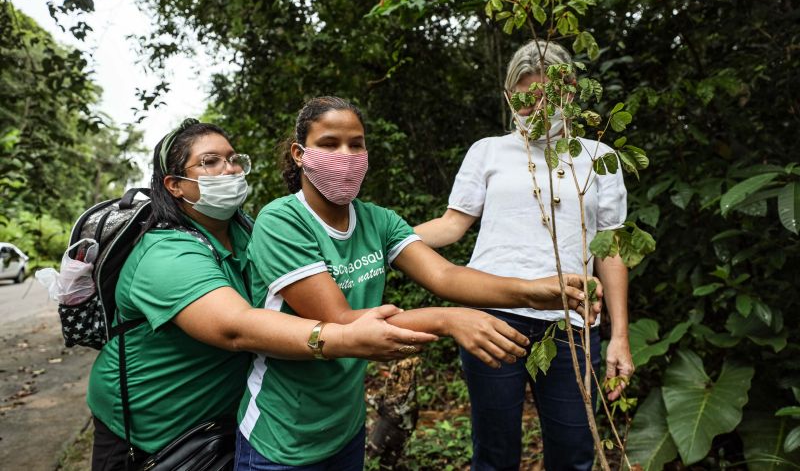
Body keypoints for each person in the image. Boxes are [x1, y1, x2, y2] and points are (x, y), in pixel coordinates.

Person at [235, 96, 603, 470]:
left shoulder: (377, 220)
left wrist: (536, 291)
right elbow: (343, 322)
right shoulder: (282, 221)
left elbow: (445, 275)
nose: (345, 155)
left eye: (356, 144)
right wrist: (449, 320)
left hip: (343, 427)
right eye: (329, 144)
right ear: (300, 154)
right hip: (280, 432)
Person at [86, 118, 440, 470]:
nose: (230, 169)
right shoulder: (166, 255)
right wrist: (342, 337)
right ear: (175, 185)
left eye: (233, 158)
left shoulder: (245, 232)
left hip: (226, 420)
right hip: (154, 429)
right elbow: (236, 327)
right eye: (210, 162)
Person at [414, 40, 635, 471]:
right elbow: (452, 224)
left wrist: (620, 335)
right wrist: (385, 240)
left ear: (568, 92)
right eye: (523, 97)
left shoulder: (599, 159)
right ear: (509, 96)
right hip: (492, 316)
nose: (535, 107)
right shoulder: (489, 151)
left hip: (570, 321)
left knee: (574, 452)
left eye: (545, 96)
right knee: (494, 454)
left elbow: (610, 250)